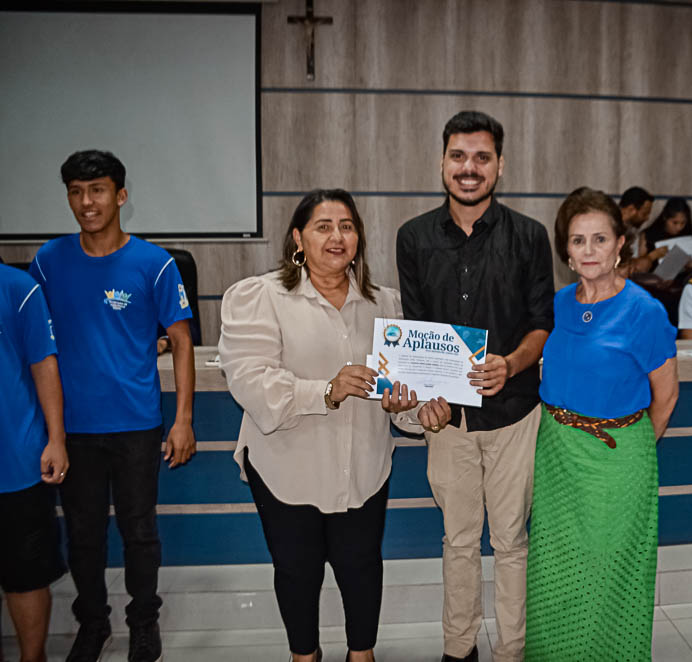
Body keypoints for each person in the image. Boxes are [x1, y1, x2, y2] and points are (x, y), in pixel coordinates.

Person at [219, 189, 417, 662]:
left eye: (347, 226)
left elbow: (403, 399)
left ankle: (361, 654)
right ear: (298, 237)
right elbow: (251, 383)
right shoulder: (261, 297)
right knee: (296, 571)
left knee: (362, 567)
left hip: (364, 468)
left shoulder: (386, 304)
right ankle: (303, 656)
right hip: (287, 469)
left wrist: (413, 409)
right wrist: (326, 390)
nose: (337, 236)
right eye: (323, 226)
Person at [395, 110, 555, 662]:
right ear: (442, 164)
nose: (470, 168)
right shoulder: (413, 237)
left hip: (516, 414)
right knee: (458, 543)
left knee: (512, 543)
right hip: (450, 421)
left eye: (482, 157)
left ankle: (513, 650)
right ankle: (458, 649)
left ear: (500, 165)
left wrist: (511, 363)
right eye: (458, 156)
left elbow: (542, 324)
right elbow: (413, 333)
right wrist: (423, 401)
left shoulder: (531, 236)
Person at [29, 150, 196, 662]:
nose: (87, 202)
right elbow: (39, 344)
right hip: (72, 427)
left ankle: (143, 622)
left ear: (120, 195)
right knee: (82, 534)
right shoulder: (47, 261)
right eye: (76, 192)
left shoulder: (154, 263)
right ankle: (93, 623)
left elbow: (183, 341)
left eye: (97, 190)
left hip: (136, 424)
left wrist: (184, 420)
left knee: (139, 531)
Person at [524, 187, 679, 661]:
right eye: (577, 241)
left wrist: (631, 452)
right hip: (556, 455)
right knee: (554, 574)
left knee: (609, 571)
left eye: (599, 239)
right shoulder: (558, 304)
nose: (588, 250)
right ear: (566, 251)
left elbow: (667, 396)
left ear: (618, 245)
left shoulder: (645, 311)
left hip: (617, 456)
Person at [1, 264, 70, 662]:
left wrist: (56, 439)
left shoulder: (18, 288)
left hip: (15, 460)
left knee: (24, 576)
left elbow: (44, 365)